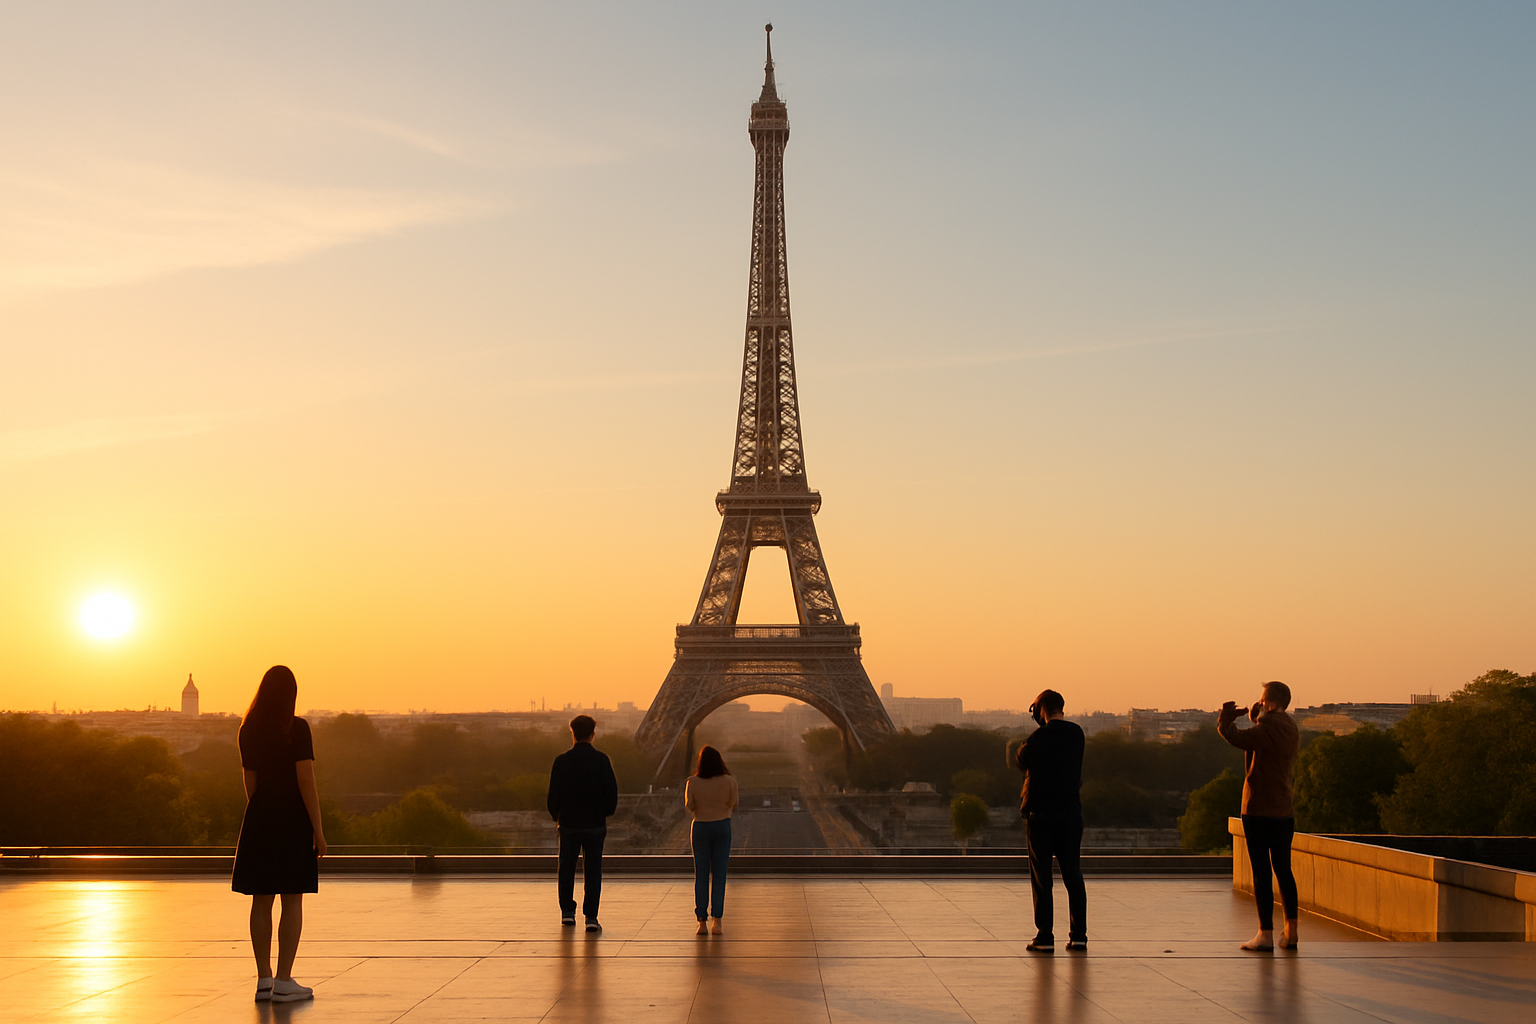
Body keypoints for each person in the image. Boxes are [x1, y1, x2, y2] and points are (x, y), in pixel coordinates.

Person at [231, 665, 327, 1003]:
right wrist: (317, 827)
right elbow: (306, 781)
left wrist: (259, 811)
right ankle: (285, 979)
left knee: (261, 899)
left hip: (260, 816)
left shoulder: (247, 731)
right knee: (292, 898)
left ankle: (263, 979)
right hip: (292, 819)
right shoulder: (297, 729)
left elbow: (250, 780)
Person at [1218, 680, 1301, 952]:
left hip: (1259, 809)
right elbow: (1262, 739)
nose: (1259, 702)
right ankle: (1291, 931)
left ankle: (1265, 934)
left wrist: (1225, 721)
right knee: (1284, 870)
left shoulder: (1266, 729)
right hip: (1283, 809)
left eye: (1262, 699)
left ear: (1271, 702)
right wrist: (1257, 719)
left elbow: (1237, 738)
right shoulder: (1290, 727)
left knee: (1262, 873)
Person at [1009, 688, 1087, 953]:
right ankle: (1078, 935)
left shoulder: (1038, 738)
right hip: (1069, 813)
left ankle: (1045, 935)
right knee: (1073, 875)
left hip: (1041, 814)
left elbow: (1021, 760)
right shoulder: (1077, 734)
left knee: (1042, 878)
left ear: (1040, 710)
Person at [547, 714, 619, 932]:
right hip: (594, 824)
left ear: (573, 733)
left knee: (566, 868)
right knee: (593, 870)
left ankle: (567, 912)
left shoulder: (561, 761)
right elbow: (611, 793)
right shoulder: (602, 760)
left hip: (568, 823)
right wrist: (605, 813)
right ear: (592, 735)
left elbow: (553, 796)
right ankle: (591, 916)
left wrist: (558, 817)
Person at [685, 745, 739, 935]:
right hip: (722, 826)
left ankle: (701, 923)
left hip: (700, 827)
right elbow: (732, 803)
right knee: (719, 875)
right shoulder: (730, 781)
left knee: (701, 875)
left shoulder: (692, 781)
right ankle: (717, 921)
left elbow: (690, 806)